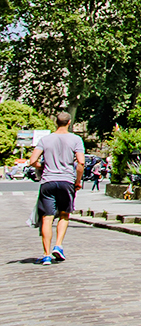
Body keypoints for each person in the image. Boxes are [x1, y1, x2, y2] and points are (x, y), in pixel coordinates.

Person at [26, 111, 84, 265]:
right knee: (64, 214)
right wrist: (77, 181)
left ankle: (46, 255)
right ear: (69, 122)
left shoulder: (45, 140)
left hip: (48, 182)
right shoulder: (76, 139)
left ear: (55, 123)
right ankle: (58, 245)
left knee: (47, 217)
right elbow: (81, 163)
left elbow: (32, 161)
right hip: (66, 181)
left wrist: (43, 166)